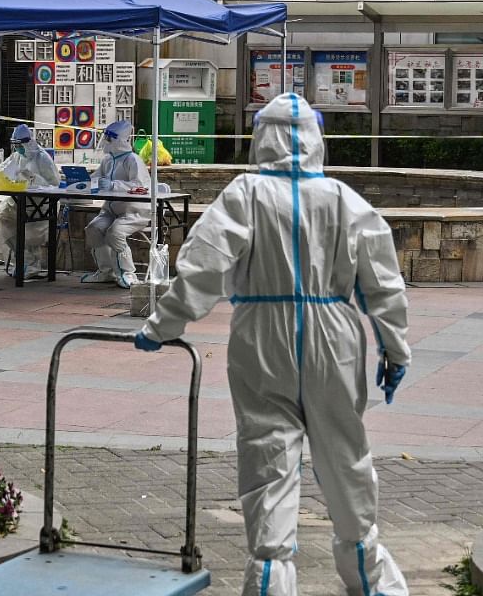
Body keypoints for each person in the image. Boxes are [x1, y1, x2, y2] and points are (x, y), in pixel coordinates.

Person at [134, 93, 411, 596]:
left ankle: (270, 579)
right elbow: (384, 284)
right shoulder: (346, 200)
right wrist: (395, 349)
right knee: (346, 457)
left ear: (262, 137)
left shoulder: (246, 193)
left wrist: (163, 325)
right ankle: (370, 579)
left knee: (268, 460)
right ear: (316, 139)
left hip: (261, 333)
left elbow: (205, 264)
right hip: (336, 335)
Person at [80, 119, 150, 288]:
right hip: (111, 210)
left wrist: (114, 185)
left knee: (115, 232)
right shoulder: (108, 160)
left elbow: (140, 186)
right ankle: (106, 272)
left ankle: (127, 273)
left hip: (134, 211)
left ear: (119, 140)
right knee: (93, 229)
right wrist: (80, 181)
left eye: (109, 138)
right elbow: (96, 178)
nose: (106, 141)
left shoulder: (132, 160)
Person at [0, 124, 60, 279]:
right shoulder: (17, 156)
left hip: (41, 204)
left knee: (30, 234)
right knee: (4, 218)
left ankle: (31, 265)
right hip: (19, 202)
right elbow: (2, 169)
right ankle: (25, 261)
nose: (18, 148)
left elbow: (55, 183)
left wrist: (33, 178)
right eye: (15, 145)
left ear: (28, 142)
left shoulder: (42, 158)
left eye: (20, 145)